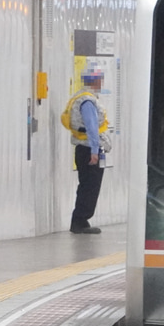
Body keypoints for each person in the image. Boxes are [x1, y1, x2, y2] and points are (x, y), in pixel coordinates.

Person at [66, 68, 107, 234]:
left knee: (87, 185)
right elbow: (91, 128)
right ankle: (80, 220)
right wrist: (95, 151)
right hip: (88, 150)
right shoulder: (87, 102)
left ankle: (81, 219)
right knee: (90, 186)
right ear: (95, 81)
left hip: (85, 149)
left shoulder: (81, 97)